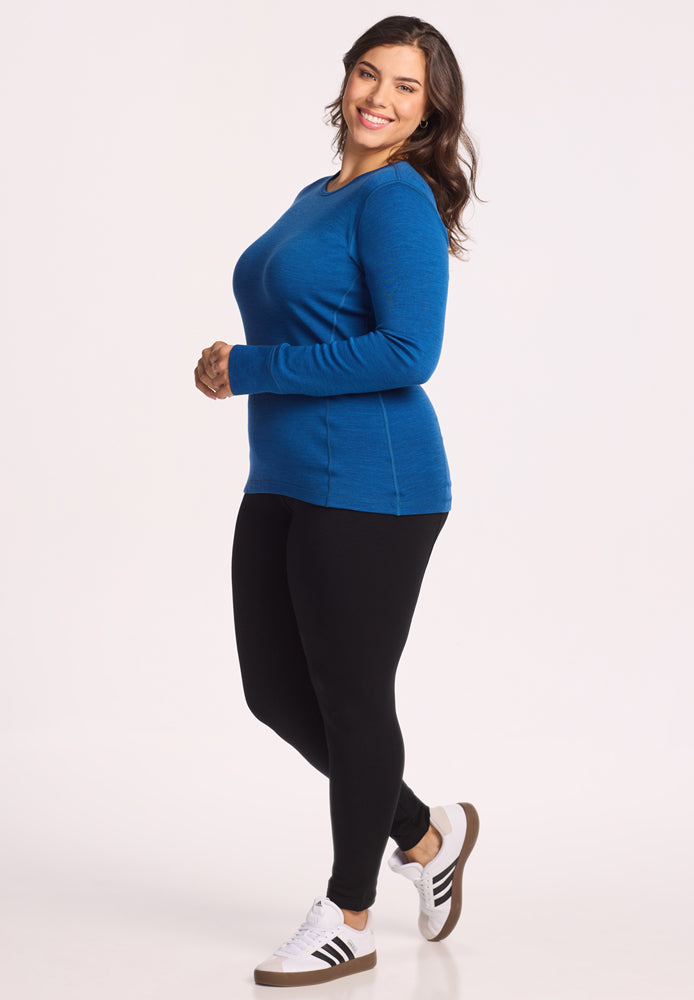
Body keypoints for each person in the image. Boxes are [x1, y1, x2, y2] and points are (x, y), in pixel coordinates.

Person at [194, 14, 484, 988]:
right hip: (280, 473)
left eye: (406, 88)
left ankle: (349, 914)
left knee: (354, 697)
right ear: (346, 79)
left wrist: (252, 366)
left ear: (427, 111)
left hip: (374, 483)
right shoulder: (315, 195)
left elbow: (410, 351)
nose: (380, 98)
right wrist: (241, 370)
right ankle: (426, 836)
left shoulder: (398, 200)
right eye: (370, 74)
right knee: (274, 691)